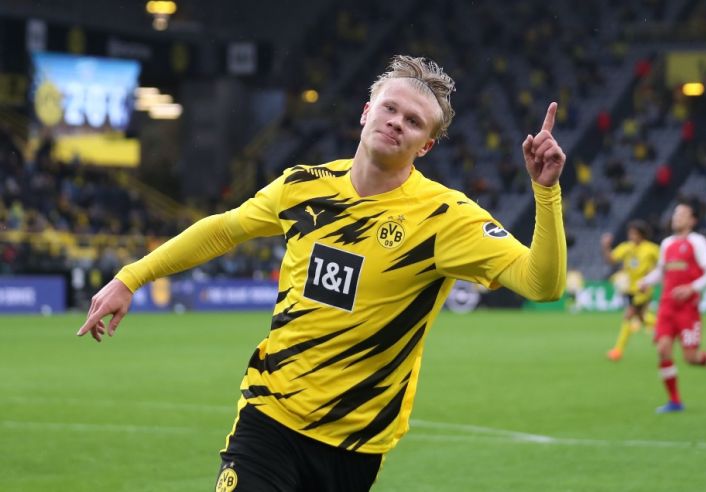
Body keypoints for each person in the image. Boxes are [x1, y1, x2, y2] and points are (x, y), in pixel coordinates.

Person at [77, 55, 567, 491]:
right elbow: (224, 230)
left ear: (426, 147)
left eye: (414, 122)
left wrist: (545, 193)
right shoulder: (303, 187)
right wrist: (130, 277)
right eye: (390, 108)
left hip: (356, 444)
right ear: (366, 112)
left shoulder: (446, 218)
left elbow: (541, 284)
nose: (397, 122)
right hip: (270, 416)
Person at [638, 200, 706, 414]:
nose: (676, 217)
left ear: (692, 220)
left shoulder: (698, 242)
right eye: (675, 213)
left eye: (682, 214)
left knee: (691, 358)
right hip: (666, 306)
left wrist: (692, 288)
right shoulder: (667, 244)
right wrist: (646, 281)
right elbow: (662, 272)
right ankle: (675, 401)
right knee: (663, 350)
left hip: (687, 309)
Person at [600, 220, 659, 361]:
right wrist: (606, 246)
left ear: (642, 235)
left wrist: (651, 276)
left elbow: (663, 265)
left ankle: (617, 351)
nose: (631, 236)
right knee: (642, 317)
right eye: (630, 233)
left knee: (628, 315)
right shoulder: (627, 247)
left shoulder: (651, 249)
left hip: (643, 288)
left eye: (634, 234)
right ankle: (664, 328)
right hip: (631, 289)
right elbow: (611, 260)